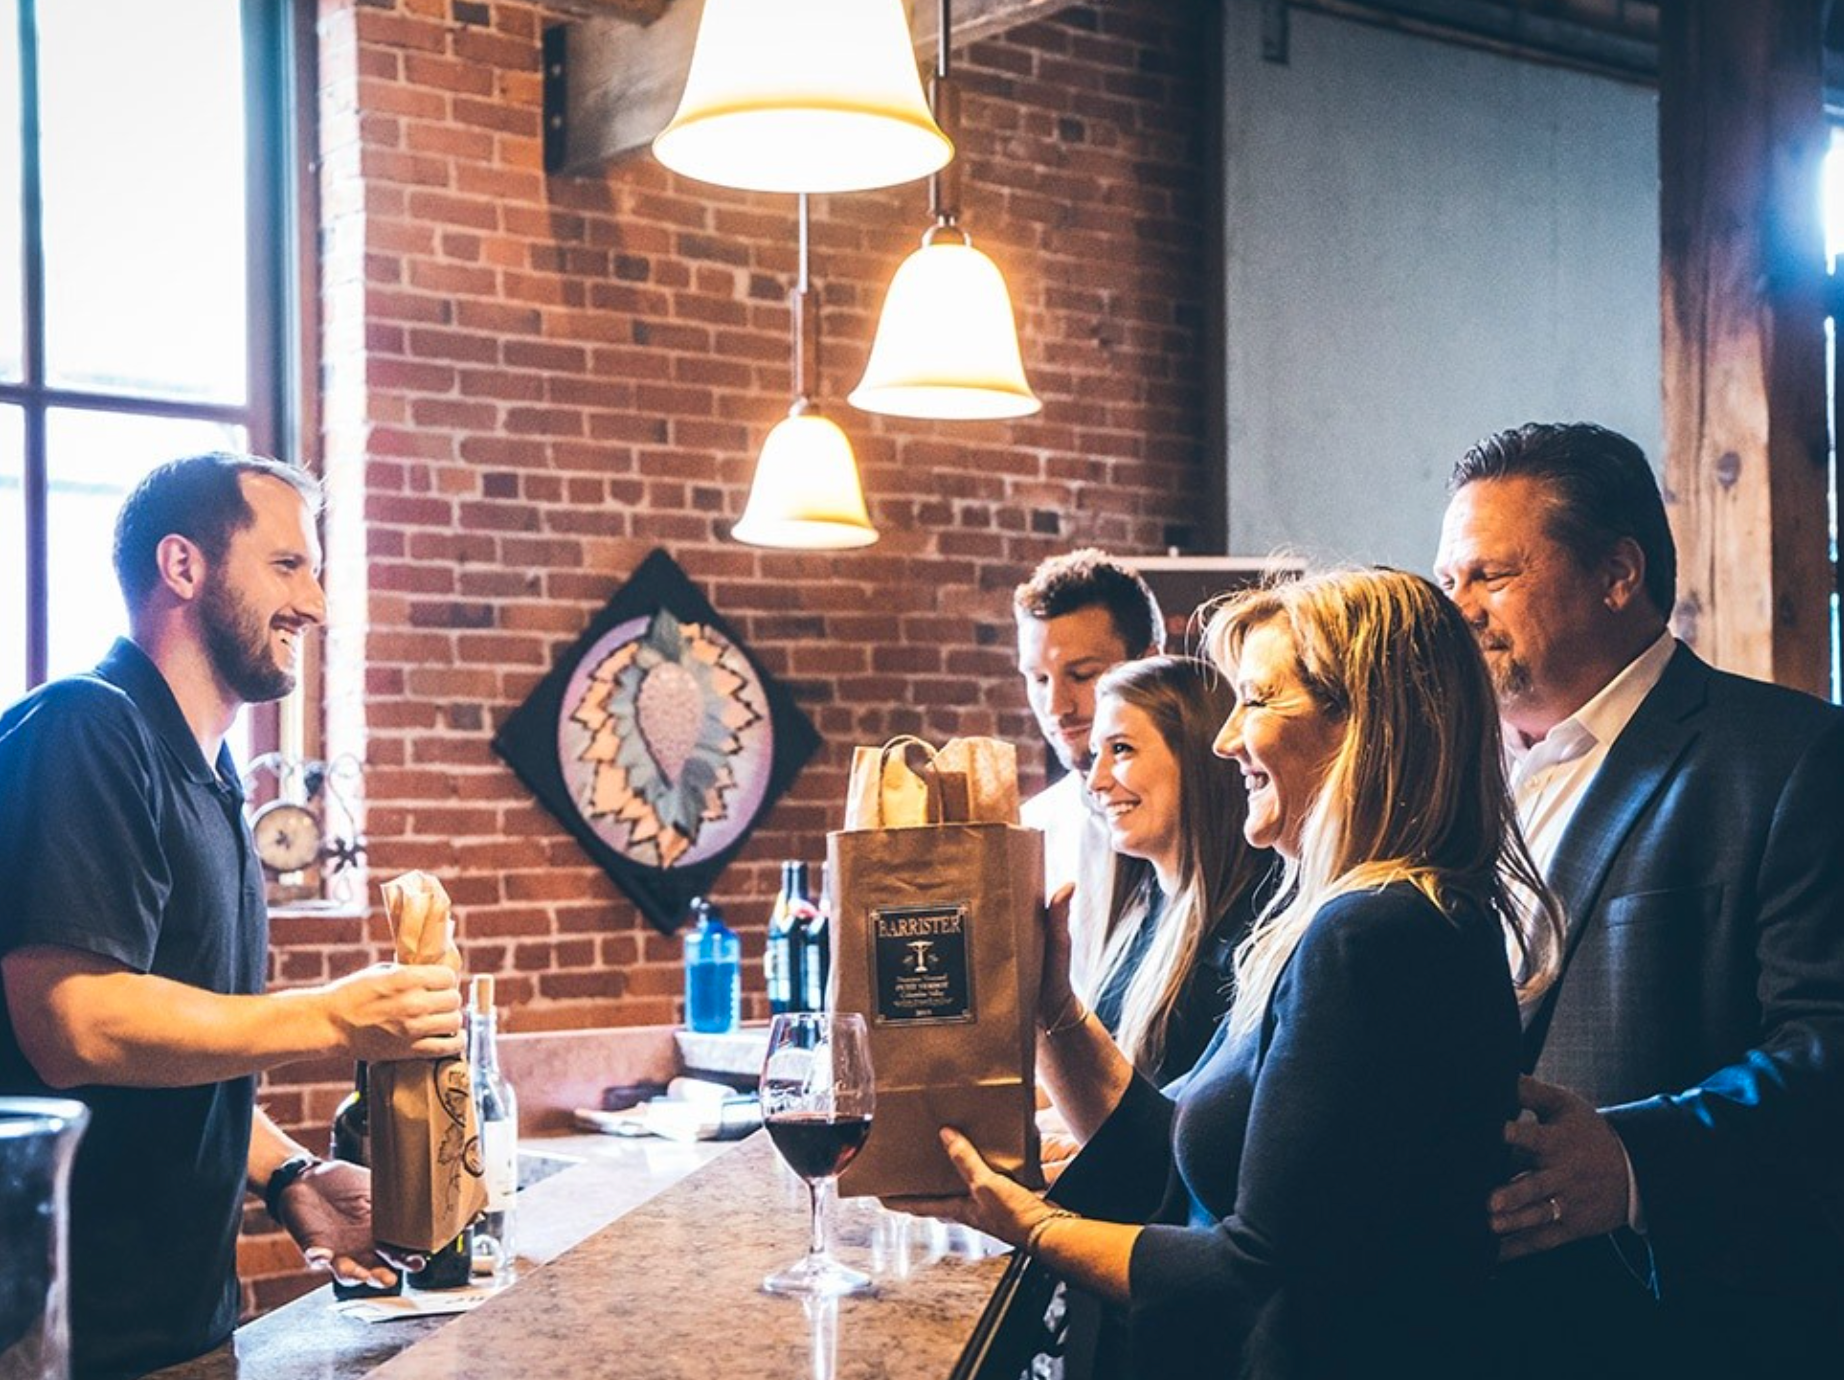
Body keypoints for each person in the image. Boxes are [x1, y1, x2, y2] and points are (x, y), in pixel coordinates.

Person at [911, 568, 1559, 1377]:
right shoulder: (1363, 919)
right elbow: (1171, 1161)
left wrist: (1026, 1224)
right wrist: (1050, 1006)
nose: (1225, 740)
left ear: (1363, 723)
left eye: (1256, 700)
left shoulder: (1374, 935)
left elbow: (1254, 1272)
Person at [0, 453, 465, 1380]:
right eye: (288, 566)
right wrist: (337, 1015)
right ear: (183, 567)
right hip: (62, 1344)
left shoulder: (212, 785)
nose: (319, 605)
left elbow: (177, 1049)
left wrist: (291, 1175)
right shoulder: (85, 728)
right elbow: (75, 1025)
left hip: (187, 1329)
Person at [1435, 422, 1844, 1374]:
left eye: (1490, 575)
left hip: (1672, 1320)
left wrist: (1633, 1161)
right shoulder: (1447, 781)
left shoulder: (1789, 758)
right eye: (1448, 579)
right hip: (1463, 1323)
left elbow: (1827, 1038)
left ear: (1618, 574)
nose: (1456, 608)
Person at [1083, 656, 1268, 1085]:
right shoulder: (1144, 907)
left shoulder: (1245, 934)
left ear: (1197, 756)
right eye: (1097, 753)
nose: (1096, 780)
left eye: (1121, 749)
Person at [1014, 550, 1163, 1000]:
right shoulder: (1027, 832)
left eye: (1081, 674)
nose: (1057, 706)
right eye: (1039, 680)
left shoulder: (1225, 824)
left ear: (1149, 663)